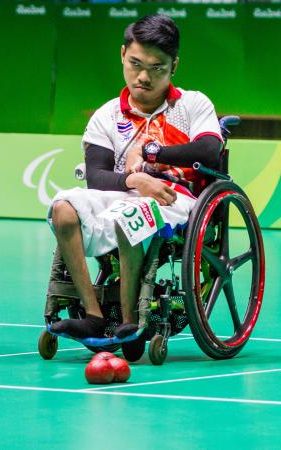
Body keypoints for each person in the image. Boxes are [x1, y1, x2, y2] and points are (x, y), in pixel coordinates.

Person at [48, 14, 223, 340]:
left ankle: (130, 321)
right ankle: (93, 315)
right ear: (122, 55)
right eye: (135, 64)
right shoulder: (107, 115)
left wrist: (151, 155)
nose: (143, 76)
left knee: (131, 214)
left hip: (174, 197)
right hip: (121, 190)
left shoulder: (193, 104)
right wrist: (134, 180)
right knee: (63, 208)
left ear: (174, 66)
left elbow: (210, 151)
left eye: (157, 68)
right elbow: (97, 177)